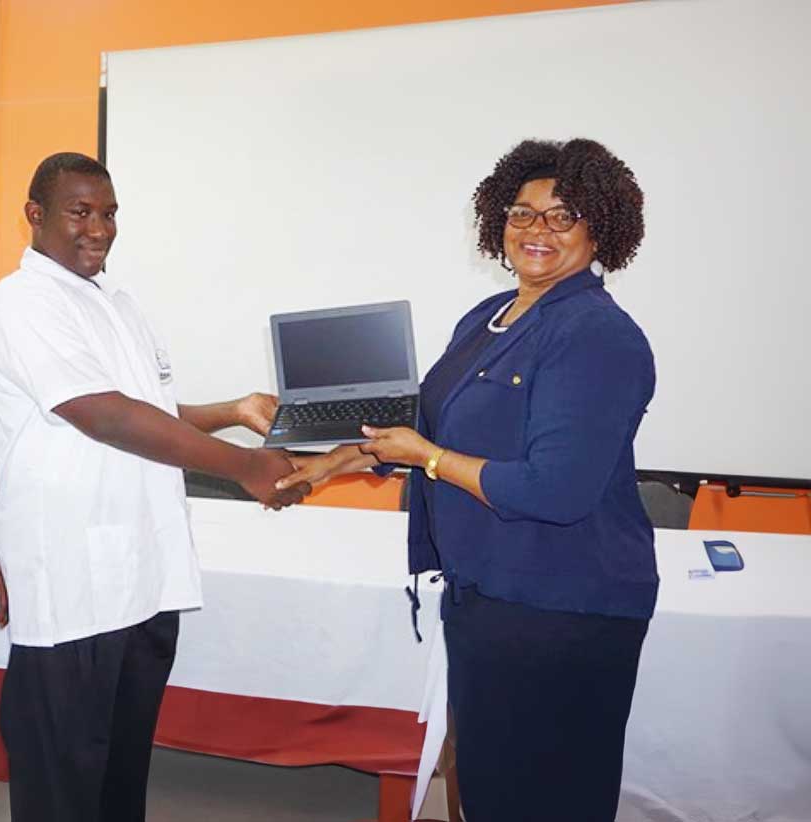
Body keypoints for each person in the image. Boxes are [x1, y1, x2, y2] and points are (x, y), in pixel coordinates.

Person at [279, 138, 656, 822]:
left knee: (542, 800)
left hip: (559, 608)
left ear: (599, 227)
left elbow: (555, 490)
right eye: (521, 212)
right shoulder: (486, 319)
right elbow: (427, 427)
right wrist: (328, 463)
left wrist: (426, 456)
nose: (536, 230)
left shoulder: (596, 334)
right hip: (488, 596)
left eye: (561, 215)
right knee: (488, 788)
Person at [0, 152, 308, 822]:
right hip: (74, 586)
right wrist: (241, 467)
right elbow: (101, 412)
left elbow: (151, 410)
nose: (99, 228)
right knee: (62, 785)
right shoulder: (23, 302)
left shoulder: (115, 301)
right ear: (35, 216)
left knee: (120, 777)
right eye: (80, 212)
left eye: (109, 213)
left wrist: (234, 412)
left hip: (142, 581)